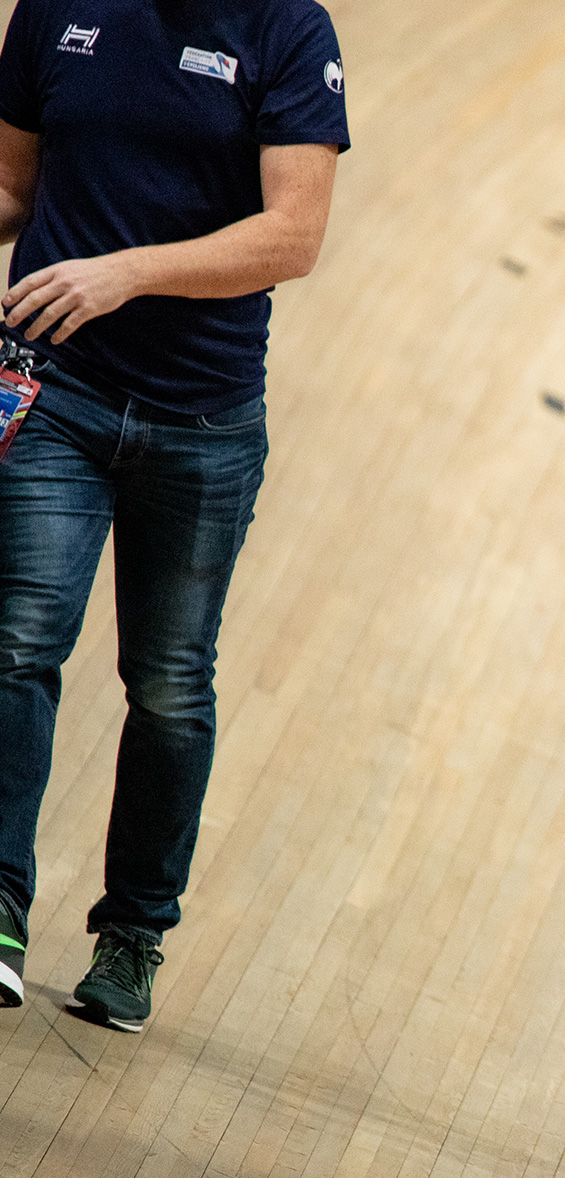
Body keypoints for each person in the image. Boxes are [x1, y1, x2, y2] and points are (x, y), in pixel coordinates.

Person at [0, 0, 348, 1030]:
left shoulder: (288, 31)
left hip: (203, 421)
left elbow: (295, 234)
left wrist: (126, 275)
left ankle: (133, 934)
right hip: (53, 390)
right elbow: (15, 185)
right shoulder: (58, 9)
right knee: (17, 640)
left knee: (165, 684)